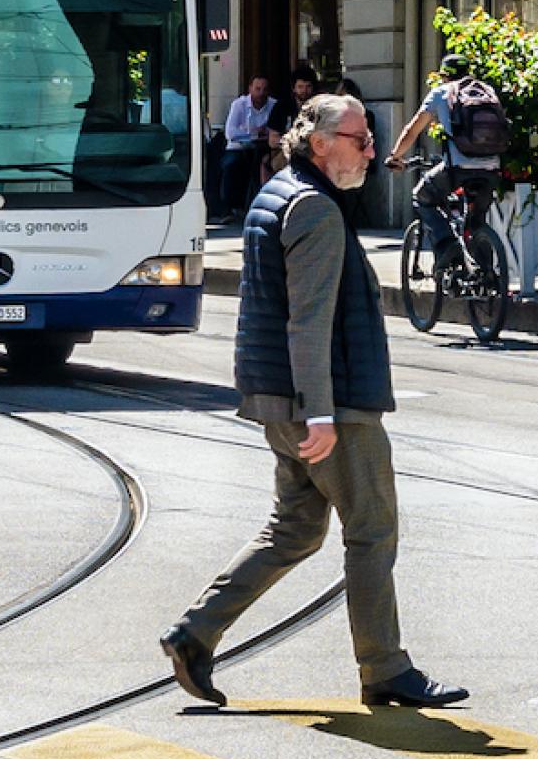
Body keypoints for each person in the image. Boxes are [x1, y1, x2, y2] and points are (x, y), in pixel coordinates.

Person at [160, 94, 466, 713]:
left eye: (371, 139)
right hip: (329, 403)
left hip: (279, 396)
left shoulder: (278, 193)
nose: (371, 150)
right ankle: (384, 668)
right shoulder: (314, 209)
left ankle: (195, 633)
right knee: (372, 530)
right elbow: (308, 321)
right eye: (359, 138)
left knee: (295, 529)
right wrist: (320, 413)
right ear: (320, 142)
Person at [386, 53, 504, 248]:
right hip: (491, 168)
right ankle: (488, 273)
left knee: (422, 196)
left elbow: (413, 129)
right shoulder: (488, 91)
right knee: (477, 223)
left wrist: (395, 156)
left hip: (458, 168)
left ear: (445, 76)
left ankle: (447, 245)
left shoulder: (441, 93)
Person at [218, 75, 276, 221]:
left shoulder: (274, 105)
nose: (261, 93)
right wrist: (254, 133)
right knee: (231, 165)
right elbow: (230, 133)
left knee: (265, 166)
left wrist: (264, 133)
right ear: (250, 89)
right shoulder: (239, 105)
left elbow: (278, 129)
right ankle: (228, 209)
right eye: (257, 89)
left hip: (265, 148)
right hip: (237, 148)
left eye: (264, 89)